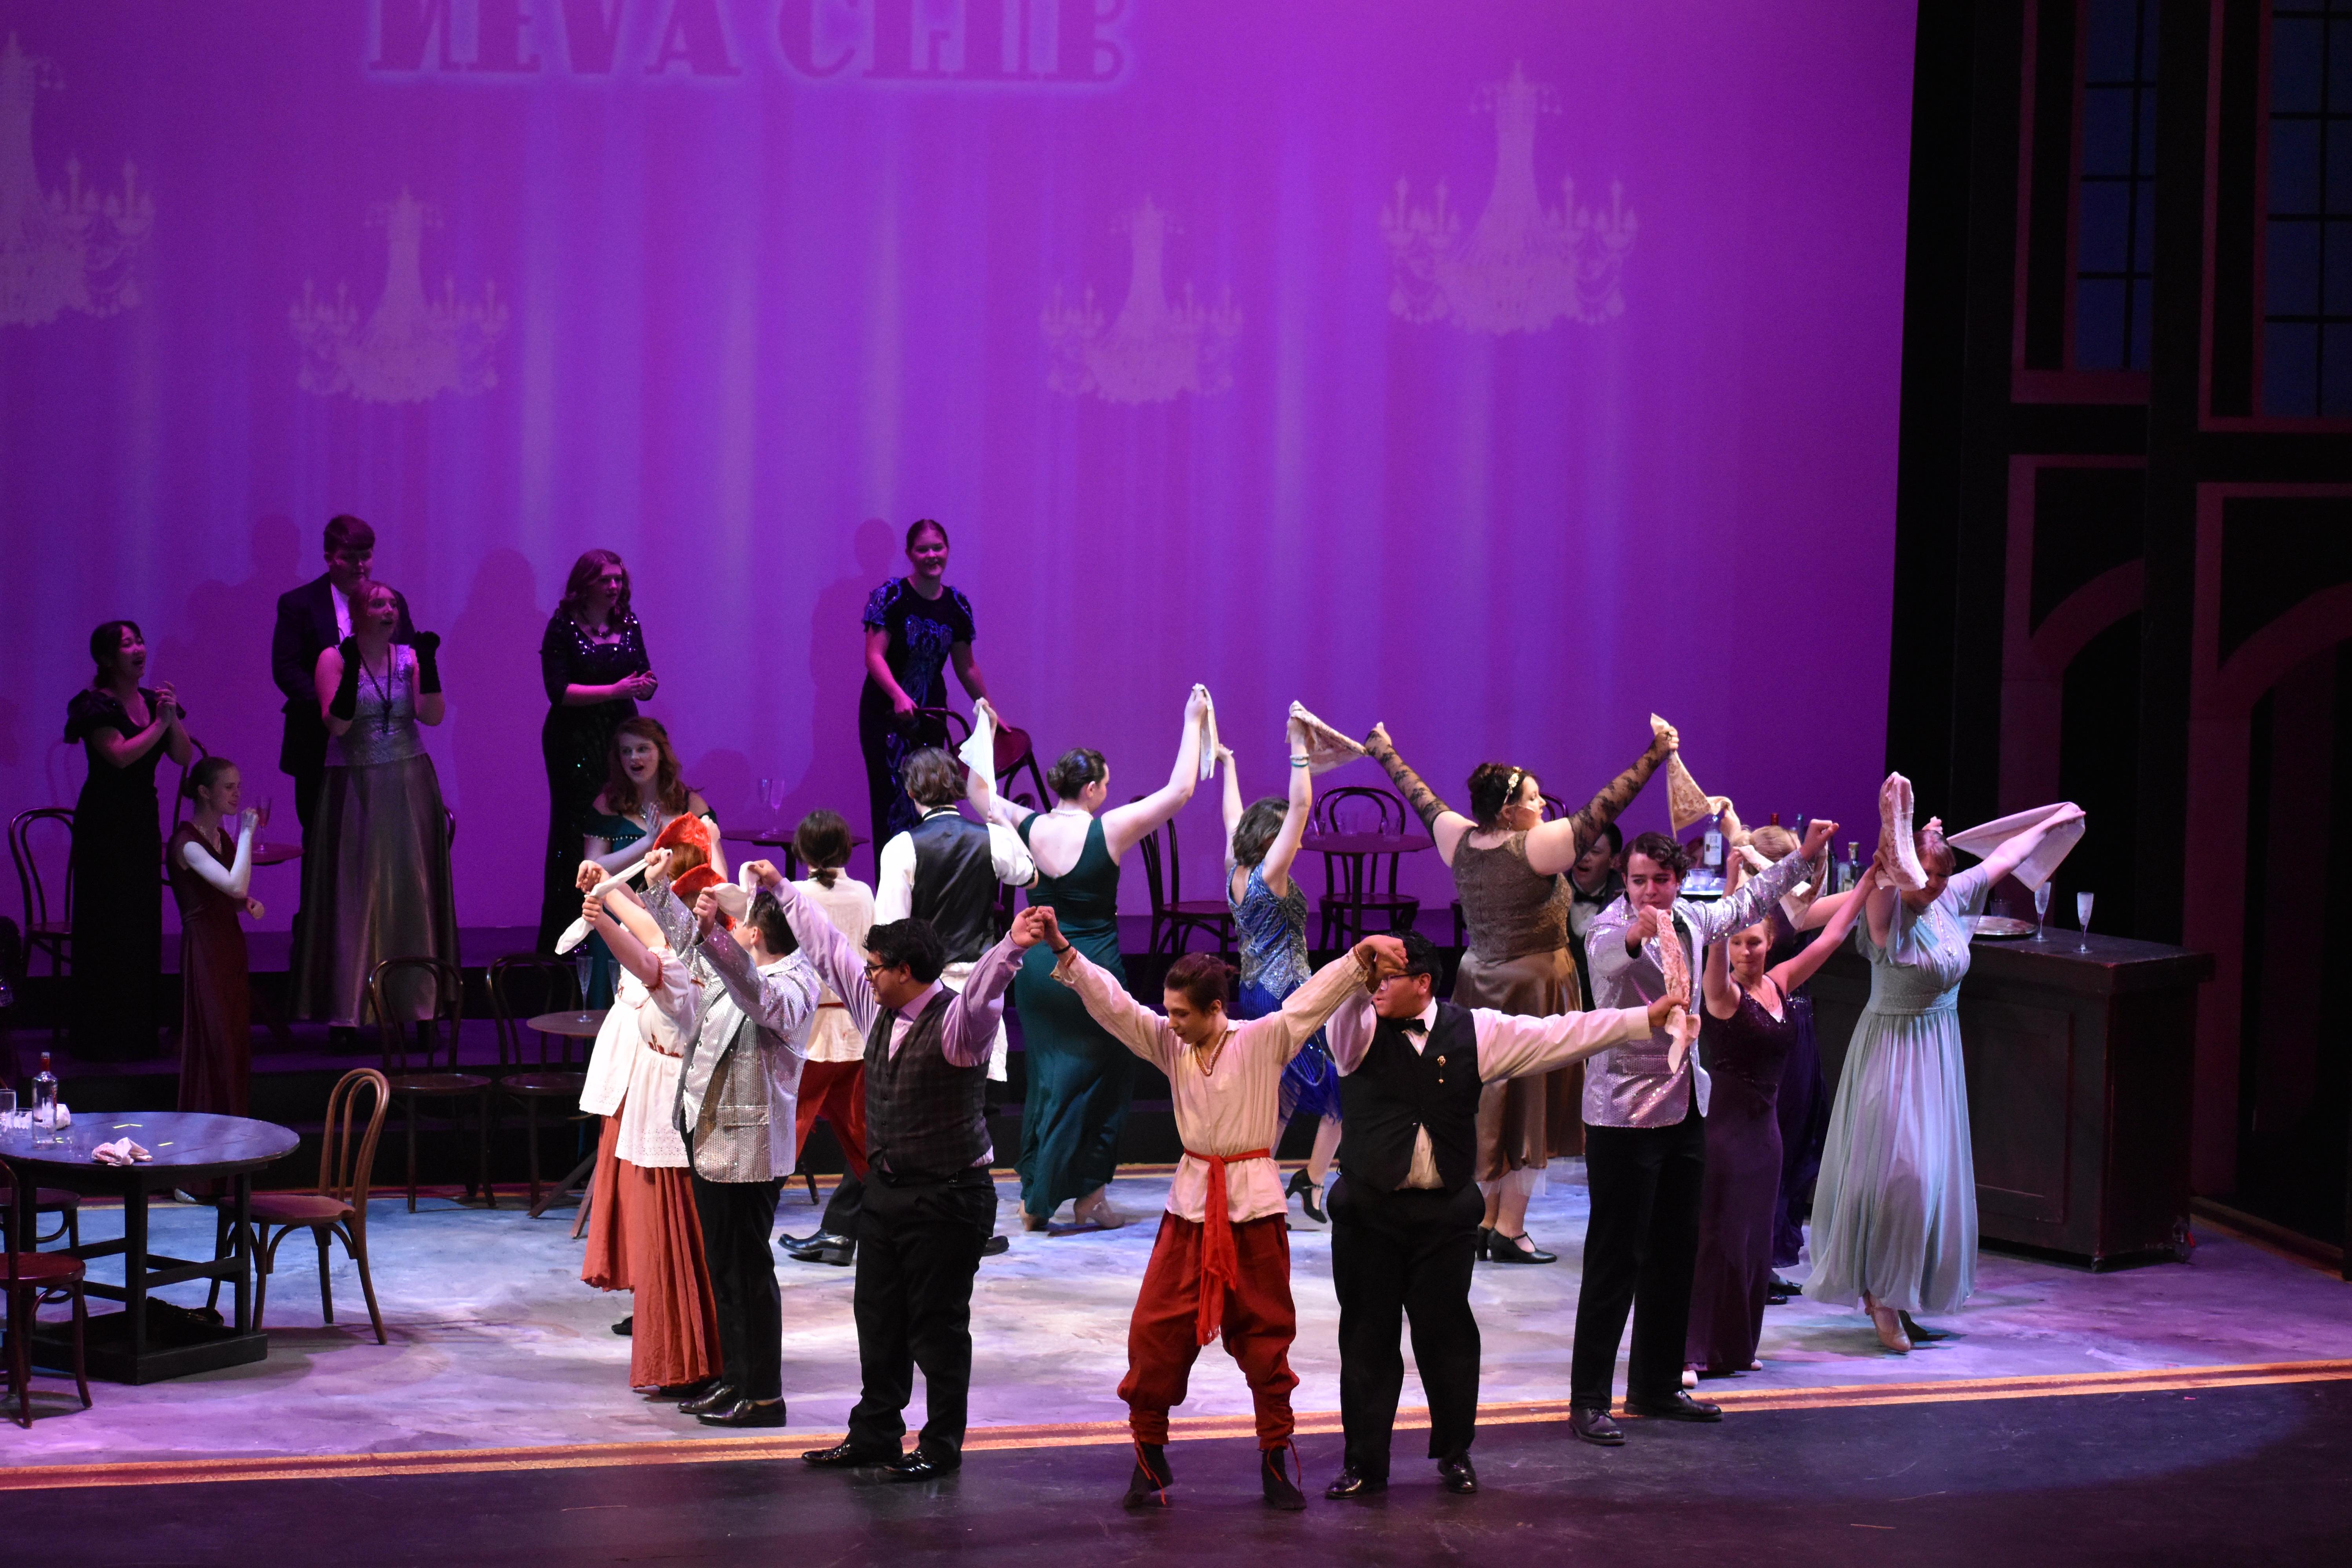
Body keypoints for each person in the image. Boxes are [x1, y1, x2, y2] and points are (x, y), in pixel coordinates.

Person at [1043, 911, 1407, 1510]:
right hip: (1190, 1210)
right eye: (1169, 1012)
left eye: (1182, 1014)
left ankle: (1275, 1460)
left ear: (1215, 1008)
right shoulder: (1171, 1044)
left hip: (1252, 1210)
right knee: (1155, 1332)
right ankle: (1149, 1457)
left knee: (1265, 1337)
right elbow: (1116, 1008)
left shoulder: (1261, 1041)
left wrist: (1359, 958)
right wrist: (1065, 950)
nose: (1171, 1022)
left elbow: (1310, 1003)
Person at [1319, 931, 1679, 1500]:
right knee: (1366, 1340)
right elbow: (1331, 1000)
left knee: (1448, 1339)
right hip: (1370, 1215)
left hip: (1444, 1215)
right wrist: (1359, 959)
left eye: (1387, 978)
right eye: (1373, 978)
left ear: (1423, 983)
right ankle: (1364, 1462)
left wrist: (1642, 1019)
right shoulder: (1356, 1028)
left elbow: (1559, 1034)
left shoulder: (1475, 1031)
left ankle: (1455, 1453)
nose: (1376, 988)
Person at [751, 860, 1028, 1481]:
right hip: (887, 1193)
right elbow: (828, 948)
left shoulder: (958, 1025)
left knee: (937, 1328)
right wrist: (781, 890)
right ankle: (875, 1434)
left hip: (948, 1197)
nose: (867, 975)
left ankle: (941, 1444)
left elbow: (986, 991)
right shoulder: (876, 1010)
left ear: (906, 972)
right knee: (877, 1321)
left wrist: (1012, 945)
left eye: (877, 967)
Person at [1365, 719, 1676, 1262]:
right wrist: (1655, 754)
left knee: (1489, 1097)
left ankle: (1487, 1219)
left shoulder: (1459, 838)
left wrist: (1384, 752)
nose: (1543, 807)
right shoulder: (1535, 847)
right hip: (1533, 983)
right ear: (1509, 810)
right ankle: (1509, 1226)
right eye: (1534, 799)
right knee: (1527, 1098)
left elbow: (1418, 795)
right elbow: (1606, 807)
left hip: (1477, 978)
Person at [1570, 816, 1837, 1444]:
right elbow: (1610, 955)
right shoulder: (1606, 927)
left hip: (1686, 1109)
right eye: (1639, 880)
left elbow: (1750, 900)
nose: (1650, 891)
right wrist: (1638, 931)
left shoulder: (1693, 918)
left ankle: (1656, 1386)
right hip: (1623, 1114)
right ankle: (1588, 1399)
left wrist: (1804, 857)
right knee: (1615, 1259)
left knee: (1674, 1254)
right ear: (1625, 880)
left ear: (1677, 880)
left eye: (1661, 880)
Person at [1804, 800, 2084, 1351]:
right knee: (1901, 1176)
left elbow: (2006, 857)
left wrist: (2050, 823)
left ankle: (1901, 1290)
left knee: (1930, 1178)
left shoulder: (1951, 898)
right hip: (1892, 1052)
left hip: (1937, 1051)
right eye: (1925, 873)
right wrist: (1896, 829)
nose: (1933, 884)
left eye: (1940, 874)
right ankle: (1881, 1294)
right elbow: (1886, 866)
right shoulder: (1887, 908)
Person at [968, 686, 1209, 1230]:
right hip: (1091, 970)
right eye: (1107, 783)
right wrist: (1192, 720)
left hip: (1036, 972)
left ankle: (1039, 1196)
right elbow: (1180, 790)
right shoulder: (1110, 828)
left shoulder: (1026, 823)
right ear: (1093, 788)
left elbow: (977, 790)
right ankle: (1085, 1198)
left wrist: (983, 728)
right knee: (1104, 1079)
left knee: (1049, 1079)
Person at [793, 748, 1034, 1265]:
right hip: (978, 988)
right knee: (974, 1108)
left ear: (909, 792)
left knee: (907, 1111)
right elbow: (1028, 873)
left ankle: (850, 1229)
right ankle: (960, 1223)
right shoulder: (989, 838)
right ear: (955, 790)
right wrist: (994, 813)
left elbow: (892, 929)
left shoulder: (904, 846)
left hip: (926, 991)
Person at [1683, 853, 1872, 1376]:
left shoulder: (1779, 984)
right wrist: (1730, 887)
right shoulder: (1721, 995)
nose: (1746, 952)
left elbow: (1832, 938)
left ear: (1770, 943)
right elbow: (1716, 942)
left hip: (1766, 1137)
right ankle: (1692, 1350)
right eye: (1738, 943)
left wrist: (1868, 884)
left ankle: (1737, 1346)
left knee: (1753, 1244)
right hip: (1724, 1137)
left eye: (1755, 942)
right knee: (1718, 1241)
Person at [672, 878, 822, 1427]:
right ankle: (735, 1379)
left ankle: (763, 1395)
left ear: (755, 934)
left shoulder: (794, 983)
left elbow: (756, 995)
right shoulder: (741, 965)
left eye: (741, 925)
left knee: (748, 1272)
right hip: (712, 1135)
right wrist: (657, 888)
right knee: (726, 1269)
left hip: (749, 1149)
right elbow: (688, 944)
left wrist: (716, 933)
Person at [577, 841, 720, 1394]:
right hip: (658, 1102)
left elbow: (645, 957)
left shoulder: (685, 970)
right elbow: (647, 930)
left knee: (670, 1241)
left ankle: (685, 1360)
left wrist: (602, 918)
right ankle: (686, 1354)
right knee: (663, 1239)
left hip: (669, 1108)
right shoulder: (687, 953)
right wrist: (604, 891)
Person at [290, 581, 458, 1029]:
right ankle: (349, 1010)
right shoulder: (333, 658)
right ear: (358, 613)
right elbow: (337, 725)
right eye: (378, 604)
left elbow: (432, 715)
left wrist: (430, 664)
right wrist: (351, 668)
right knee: (356, 890)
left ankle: (419, 1004)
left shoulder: (409, 658)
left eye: (393, 604)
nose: (389, 610)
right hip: (355, 783)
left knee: (411, 887)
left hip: (408, 781)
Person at [1215, 722, 1341, 1228]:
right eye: (1290, 832)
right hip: (1287, 994)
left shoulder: (1235, 869)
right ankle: (1311, 1182)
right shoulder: (1271, 873)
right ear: (1271, 839)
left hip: (1254, 994)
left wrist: (1228, 765)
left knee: (1280, 1098)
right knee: (1340, 1094)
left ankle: (1256, 1191)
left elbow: (1232, 816)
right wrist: (1299, 747)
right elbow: (1302, 805)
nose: (1299, 839)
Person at [271, 515, 413, 945]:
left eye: (366, 556)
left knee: (380, 842)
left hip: (382, 747)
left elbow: (405, 661)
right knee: (322, 844)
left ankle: (380, 937)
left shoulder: (390, 601)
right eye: (350, 557)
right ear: (329, 557)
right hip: (319, 742)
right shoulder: (299, 603)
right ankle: (320, 942)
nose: (361, 566)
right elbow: (286, 669)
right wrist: (334, 703)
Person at [64, 620, 192, 1058]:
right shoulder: (94, 704)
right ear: (106, 658)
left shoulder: (155, 701)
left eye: (140, 640)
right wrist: (160, 724)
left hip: (141, 819)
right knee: (107, 921)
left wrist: (170, 719)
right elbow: (119, 756)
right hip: (104, 822)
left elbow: (182, 756)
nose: (138, 649)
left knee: (140, 921)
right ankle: (101, 1036)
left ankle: (138, 1031)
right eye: (127, 644)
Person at [538, 548, 657, 954]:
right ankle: (570, 936)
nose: (613, 586)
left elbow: (643, 671)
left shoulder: (628, 622)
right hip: (574, 737)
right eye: (605, 579)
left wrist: (645, 686)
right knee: (577, 827)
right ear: (585, 583)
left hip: (620, 733)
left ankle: (624, 929)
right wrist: (616, 690)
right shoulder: (563, 626)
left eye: (618, 579)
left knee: (620, 818)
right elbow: (558, 691)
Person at [859, 519, 993, 874]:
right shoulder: (891, 596)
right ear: (909, 554)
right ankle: (892, 890)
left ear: (947, 550)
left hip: (930, 718)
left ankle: (925, 891)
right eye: (923, 549)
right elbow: (874, 657)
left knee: (930, 801)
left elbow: (967, 667)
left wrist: (989, 711)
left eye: (938, 548)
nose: (932, 555)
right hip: (887, 718)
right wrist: (898, 695)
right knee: (892, 802)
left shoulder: (957, 605)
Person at [776, 810, 877, 1268]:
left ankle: (747, 1224)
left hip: (810, 1033)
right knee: (866, 1142)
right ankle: (890, 1227)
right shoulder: (864, 894)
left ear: (801, 851)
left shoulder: (796, 894)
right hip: (856, 1030)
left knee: (781, 1136)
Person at [575, 717, 723, 1006]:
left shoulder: (690, 804)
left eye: (643, 749)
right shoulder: (608, 804)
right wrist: (646, 843)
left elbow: (715, 875)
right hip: (619, 921)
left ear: (661, 752)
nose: (634, 758)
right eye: (626, 751)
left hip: (675, 925)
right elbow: (594, 868)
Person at [167, 756, 265, 1115]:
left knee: (234, 1038)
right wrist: (248, 833)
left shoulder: (220, 837)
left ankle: (235, 1122)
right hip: (206, 947)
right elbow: (235, 883)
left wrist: (244, 905)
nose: (237, 794)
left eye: (238, 786)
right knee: (215, 1038)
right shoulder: (187, 842)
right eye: (228, 787)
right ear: (205, 792)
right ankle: (211, 1125)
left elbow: (231, 894)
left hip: (229, 943)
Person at [1566, 822, 1626, 1011]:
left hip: (1609, 1009)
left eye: (1595, 852)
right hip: (1559, 1006)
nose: (1584, 857)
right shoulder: (1550, 888)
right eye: (1580, 848)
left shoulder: (1627, 897)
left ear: (1614, 861)